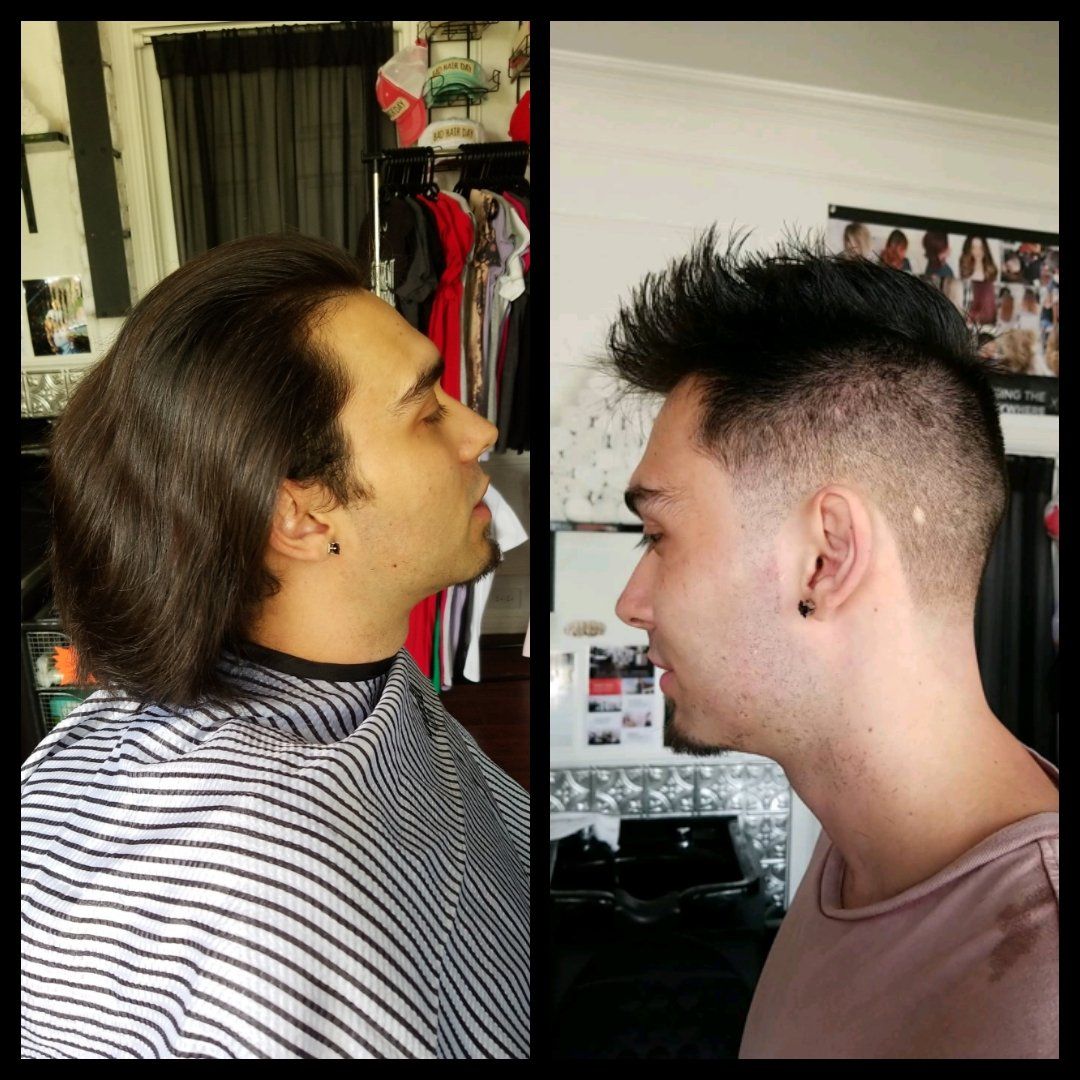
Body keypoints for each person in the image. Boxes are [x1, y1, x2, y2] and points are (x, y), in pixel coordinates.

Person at [21, 233, 529, 1059]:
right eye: (428, 412)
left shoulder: (370, 685)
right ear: (300, 512)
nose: (480, 430)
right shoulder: (285, 905)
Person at [603, 227, 1058, 1059]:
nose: (632, 603)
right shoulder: (853, 855)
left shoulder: (1038, 987)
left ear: (826, 558)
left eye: (657, 535)